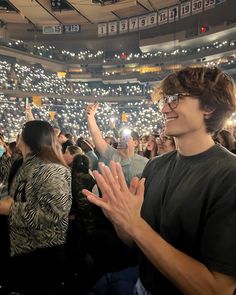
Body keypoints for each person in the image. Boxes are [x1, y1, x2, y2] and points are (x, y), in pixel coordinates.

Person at [83, 67, 236, 294]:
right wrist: (121, 217)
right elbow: (135, 241)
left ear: (210, 107)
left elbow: (217, 289)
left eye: (175, 99)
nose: (164, 108)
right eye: (165, 99)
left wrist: (135, 225)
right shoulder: (155, 166)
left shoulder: (229, 175)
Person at [0, 120, 72, 295]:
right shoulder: (27, 165)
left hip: (41, 253)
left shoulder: (52, 170)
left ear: (29, 138)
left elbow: (53, 213)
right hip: (23, 249)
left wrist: (10, 209)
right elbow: (21, 196)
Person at [86, 103, 148, 186]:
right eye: (121, 138)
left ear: (135, 143)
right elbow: (96, 137)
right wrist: (90, 118)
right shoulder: (111, 153)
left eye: (126, 137)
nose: (122, 140)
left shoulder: (145, 163)